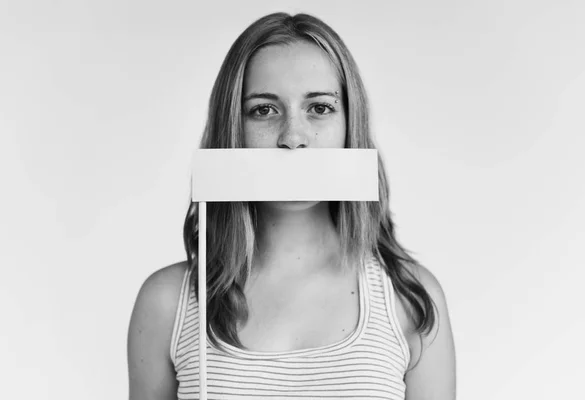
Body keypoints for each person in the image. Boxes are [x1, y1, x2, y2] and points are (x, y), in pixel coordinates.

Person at [127, 12, 456, 400]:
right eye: (264, 110)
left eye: (319, 108)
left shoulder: (410, 299)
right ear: (233, 129)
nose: (293, 137)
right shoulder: (167, 303)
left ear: (351, 127)